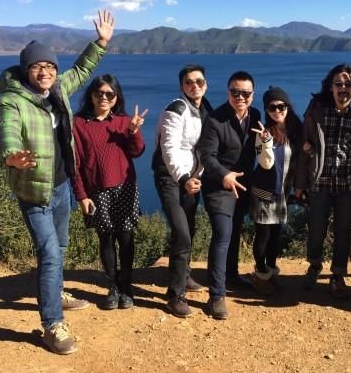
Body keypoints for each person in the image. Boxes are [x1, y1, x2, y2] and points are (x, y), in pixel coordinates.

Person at [0, 9, 114, 355]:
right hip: (34, 191)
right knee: (49, 253)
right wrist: (11, 154)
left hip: (62, 184)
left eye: (49, 66)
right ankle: (52, 324)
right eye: (37, 67)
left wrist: (101, 43)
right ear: (25, 70)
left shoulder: (58, 89)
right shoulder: (11, 100)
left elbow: (81, 70)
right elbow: (7, 130)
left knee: (60, 246)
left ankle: (55, 290)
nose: (45, 72)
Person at [294, 61, 351, 299]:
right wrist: (300, 184)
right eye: (339, 84)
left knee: (343, 231)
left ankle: (338, 274)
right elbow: (304, 146)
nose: (343, 88)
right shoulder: (318, 110)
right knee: (316, 228)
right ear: (331, 87)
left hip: (348, 184)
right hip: (320, 182)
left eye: (348, 84)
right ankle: (314, 265)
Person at [72, 75, 146, 311]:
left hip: (125, 187)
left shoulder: (124, 121)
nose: (104, 98)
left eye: (109, 94)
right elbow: (76, 164)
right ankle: (113, 286)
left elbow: (137, 152)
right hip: (96, 190)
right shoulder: (79, 123)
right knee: (105, 239)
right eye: (99, 93)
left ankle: (126, 286)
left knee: (126, 237)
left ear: (116, 97)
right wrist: (82, 195)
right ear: (91, 95)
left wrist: (133, 131)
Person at [198, 71, 261, 319]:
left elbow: (257, 148)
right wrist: (224, 174)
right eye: (235, 92)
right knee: (223, 235)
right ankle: (216, 295)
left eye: (245, 93)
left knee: (235, 231)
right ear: (228, 92)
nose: (240, 97)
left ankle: (231, 275)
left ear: (252, 95)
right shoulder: (215, 120)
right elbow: (206, 156)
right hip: (218, 187)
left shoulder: (255, 116)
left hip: (242, 185)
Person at [152, 64, 212, 318]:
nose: (194, 86)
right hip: (170, 177)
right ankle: (175, 295)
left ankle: (184, 275)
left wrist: (198, 176)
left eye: (199, 81)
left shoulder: (206, 110)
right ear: (181, 86)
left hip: (191, 179)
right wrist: (185, 177)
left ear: (205, 84)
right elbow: (169, 148)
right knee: (182, 232)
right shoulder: (175, 109)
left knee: (189, 227)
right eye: (189, 82)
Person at [249, 86, 302, 295]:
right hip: (265, 192)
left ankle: (271, 272)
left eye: (281, 106)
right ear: (266, 109)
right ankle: (261, 274)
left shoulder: (295, 130)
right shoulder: (262, 133)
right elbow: (266, 163)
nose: (277, 110)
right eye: (272, 107)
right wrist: (265, 143)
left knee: (275, 236)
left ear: (287, 106)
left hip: (283, 193)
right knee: (263, 235)